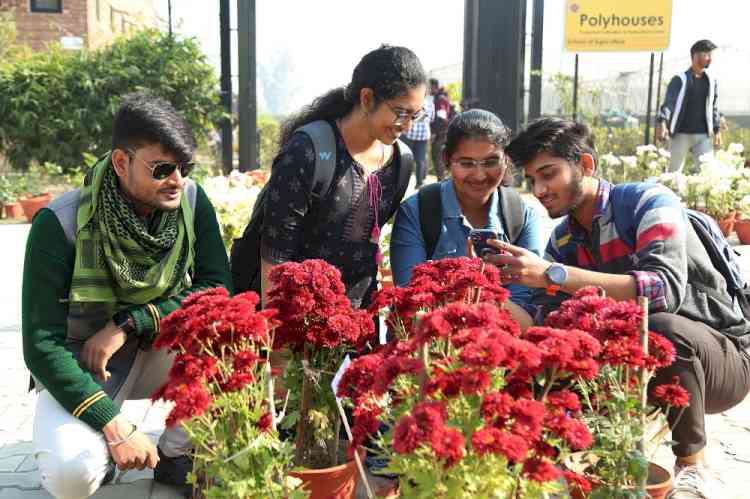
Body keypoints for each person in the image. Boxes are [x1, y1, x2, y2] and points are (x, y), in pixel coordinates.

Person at [486, 117, 750, 498]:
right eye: (532, 180)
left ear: (586, 166)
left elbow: (663, 290)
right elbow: (544, 319)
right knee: (555, 349)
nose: (540, 190)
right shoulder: (563, 240)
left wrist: (554, 275)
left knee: (656, 324)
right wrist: (487, 296)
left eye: (548, 174)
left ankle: (693, 466)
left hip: (720, 361)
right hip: (639, 365)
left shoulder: (649, 202)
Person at [22, 93, 232, 499]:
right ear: (121, 163)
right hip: (84, 362)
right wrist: (115, 428)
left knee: (228, 338)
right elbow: (41, 345)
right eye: (163, 169)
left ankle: (175, 455)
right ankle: (101, 451)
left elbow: (217, 289)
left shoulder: (190, 202)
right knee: (72, 476)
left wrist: (129, 322)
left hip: (158, 347)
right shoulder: (59, 223)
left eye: (184, 167)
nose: (177, 180)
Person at [258, 45, 427, 309]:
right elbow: (276, 254)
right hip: (299, 316)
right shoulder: (308, 150)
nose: (408, 126)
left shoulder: (400, 162)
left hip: (360, 318)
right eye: (401, 113)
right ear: (368, 98)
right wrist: (277, 337)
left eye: (415, 115)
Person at [390, 109, 543, 330]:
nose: (479, 175)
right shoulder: (419, 211)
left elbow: (525, 322)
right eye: (467, 163)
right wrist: (479, 286)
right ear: (446, 160)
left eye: (491, 162)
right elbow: (410, 310)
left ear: (506, 160)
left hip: (499, 355)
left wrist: (472, 287)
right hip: (431, 354)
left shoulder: (522, 217)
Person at [657, 39, 721, 173]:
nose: (710, 58)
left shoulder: (711, 81)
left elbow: (714, 107)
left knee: (706, 173)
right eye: (706, 55)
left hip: (703, 135)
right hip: (681, 134)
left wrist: (717, 130)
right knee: (672, 174)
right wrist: (662, 122)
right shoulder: (680, 79)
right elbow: (669, 103)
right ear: (696, 56)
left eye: (710, 55)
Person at [400, 91, 434, 188]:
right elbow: (431, 118)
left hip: (410, 133)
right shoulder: (430, 102)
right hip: (423, 135)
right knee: (420, 159)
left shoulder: (413, 100)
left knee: (405, 157)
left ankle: (402, 182)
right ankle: (419, 182)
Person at [429, 78, 453, 181]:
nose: (429, 89)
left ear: (435, 87)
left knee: (437, 156)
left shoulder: (440, 100)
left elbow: (441, 118)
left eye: (430, 87)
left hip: (441, 134)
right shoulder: (439, 98)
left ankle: (441, 181)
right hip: (442, 133)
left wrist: (435, 133)